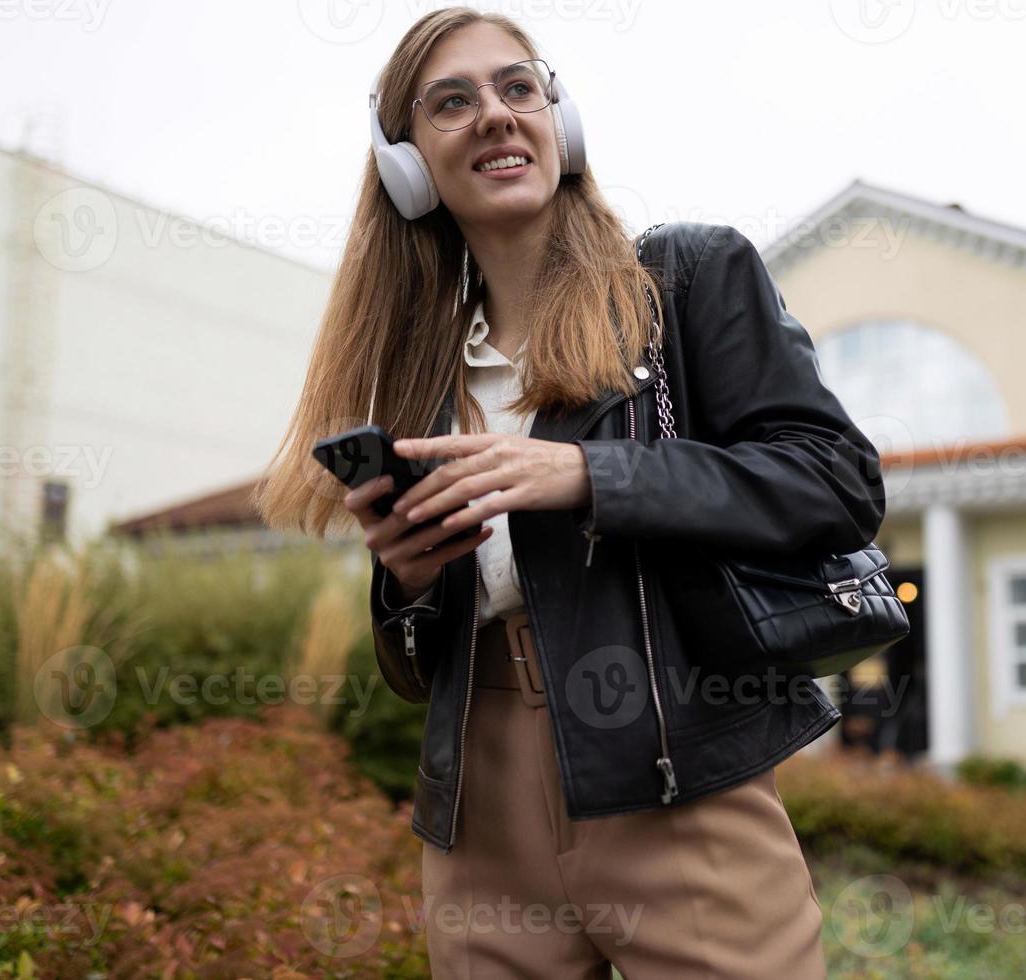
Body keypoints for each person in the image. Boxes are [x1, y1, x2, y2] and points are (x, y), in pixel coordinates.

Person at [254, 8, 884, 977]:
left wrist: (591, 473)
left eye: (519, 87)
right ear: (408, 164)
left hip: (678, 778)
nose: (498, 115)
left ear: (561, 118)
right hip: (476, 802)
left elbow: (835, 478)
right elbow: (419, 661)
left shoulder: (686, 280)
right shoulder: (421, 376)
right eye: (452, 102)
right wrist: (410, 581)